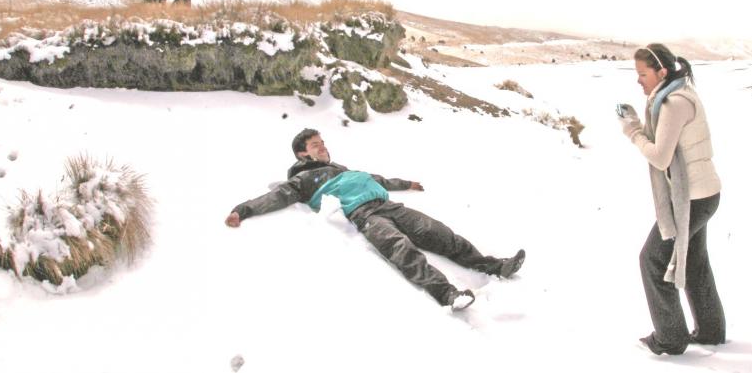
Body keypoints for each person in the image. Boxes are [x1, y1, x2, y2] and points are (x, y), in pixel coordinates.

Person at [224, 128, 526, 310]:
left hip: (389, 206)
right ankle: (448, 295)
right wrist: (243, 210)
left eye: (323, 141)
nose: (323, 146)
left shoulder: (342, 169)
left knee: (442, 234)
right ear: (302, 155)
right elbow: (275, 197)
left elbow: (376, 177)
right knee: (400, 249)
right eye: (316, 145)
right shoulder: (304, 179)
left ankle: (495, 267)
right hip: (363, 214)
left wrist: (405, 183)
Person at [618, 43, 726, 355]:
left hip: (691, 199)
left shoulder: (673, 103)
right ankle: (710, 330)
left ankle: (671, 337)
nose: (639, 80)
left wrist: (633, 130)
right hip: (702, 194)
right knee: (694, 261)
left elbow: (661, 157)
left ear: (661, 72)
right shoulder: (679, 93)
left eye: (643, 74)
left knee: (652, 260)